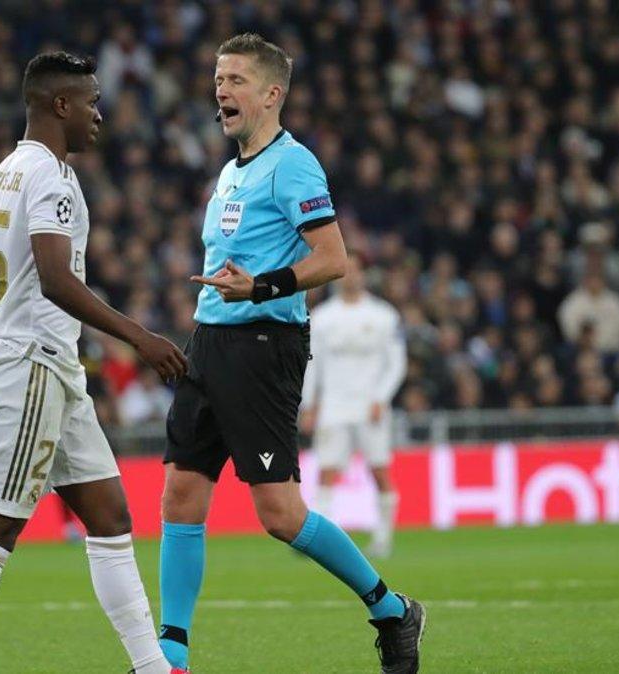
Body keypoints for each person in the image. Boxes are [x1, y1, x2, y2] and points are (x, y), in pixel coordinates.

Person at [158, 34, 425, 674]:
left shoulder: (294, 164)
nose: (221, 90)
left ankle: (392, 608)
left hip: (262, 346)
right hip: (210, 341)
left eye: (236, 80)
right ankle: (169, 655)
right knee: (179, 498)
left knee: (279, 514)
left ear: (272, 94)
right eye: (218, 78)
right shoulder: (231, 169)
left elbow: (332, 259)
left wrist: (263, 286)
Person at [0, 52, 188, 674]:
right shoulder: (47, 176)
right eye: (91, 101)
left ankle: (152, 669)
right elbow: (53, 279)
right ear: (59, 105)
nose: (99, 115)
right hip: (30, 366)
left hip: (49, 368)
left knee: (110, 515)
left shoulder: (3, 176)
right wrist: (140, 337)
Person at [301, 250, 406, 558]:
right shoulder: (322, 317)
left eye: (356, 270)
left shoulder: (384, 315)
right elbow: (313, 365)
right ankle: (321, 543)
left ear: (364, 275)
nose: (350, 276)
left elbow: (396, 364)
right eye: (345, 270)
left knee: (380, 471)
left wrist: (381, 398)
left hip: (370, 405)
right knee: (327, 471)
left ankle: (383, 539)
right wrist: (309, 404)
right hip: (334, 404)